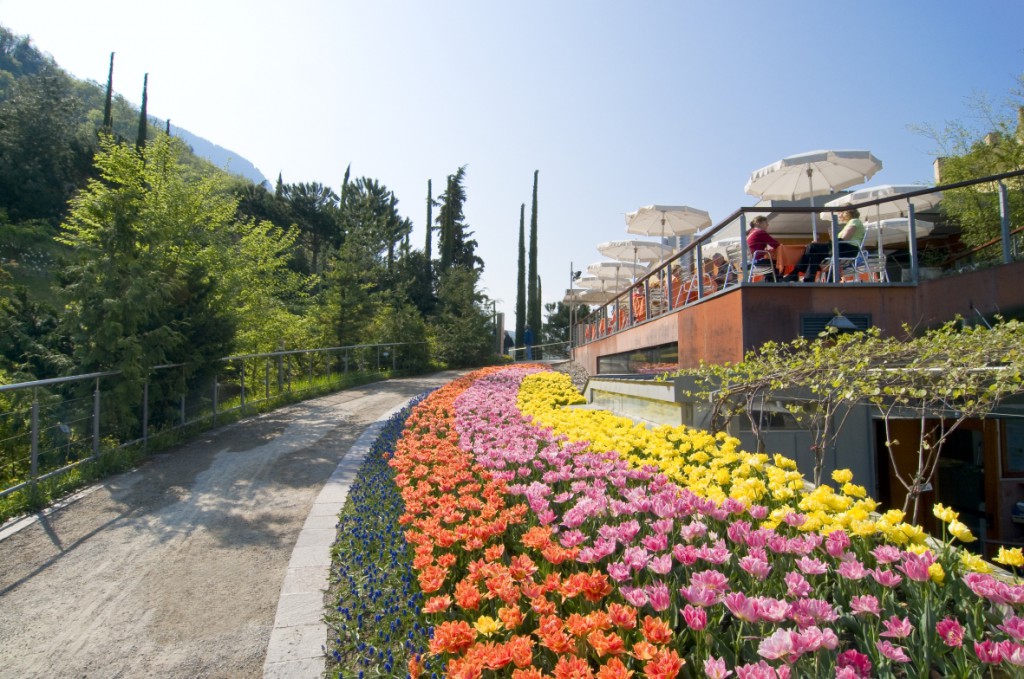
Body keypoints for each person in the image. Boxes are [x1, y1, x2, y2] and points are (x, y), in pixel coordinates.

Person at [782, 208, 866, 282]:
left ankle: (795, 273)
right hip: (842, 248)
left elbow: (844, 238)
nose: (839, 215)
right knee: (814, 255)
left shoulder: (854, 221)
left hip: (847, 249)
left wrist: (825, 242)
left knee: (812, 247)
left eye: (840, 212)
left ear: (846, 212)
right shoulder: (850, 223)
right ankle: (808, 279)